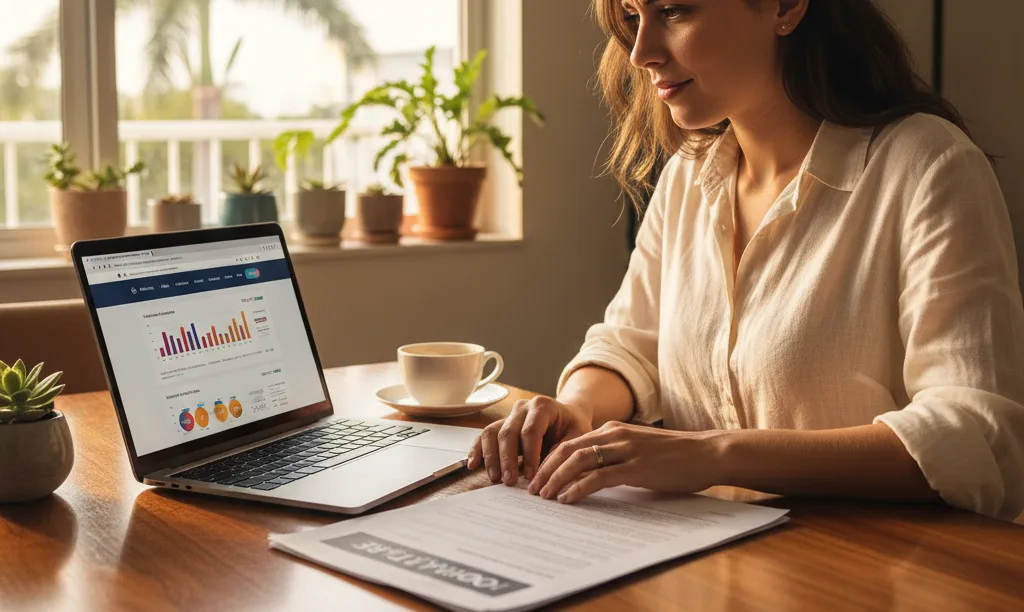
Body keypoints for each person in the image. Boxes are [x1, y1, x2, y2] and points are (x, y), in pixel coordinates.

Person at [467, 0, 1024, 521]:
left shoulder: (930, 166)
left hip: (868, 571)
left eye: (674, 10)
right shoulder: (689, 173)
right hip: (705, 561)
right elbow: (630, 341)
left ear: (785, 6)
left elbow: (977, 434)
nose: (641, 52)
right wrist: (578, 408)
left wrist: (717, 454)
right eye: (634, 15)